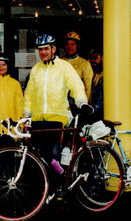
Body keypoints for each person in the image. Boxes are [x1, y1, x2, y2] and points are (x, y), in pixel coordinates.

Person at [23, 34, 91, 181]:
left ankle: (60, 184)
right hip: (38, 119)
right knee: (38, 159)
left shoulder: (64, 66)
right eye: (40, 50)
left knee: (54, 159)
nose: (43, 52)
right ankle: (45, 190)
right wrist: (26, 117)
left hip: (57, 119)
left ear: (53, 49)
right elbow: (29, 95)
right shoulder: (35, 69)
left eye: (46, 49)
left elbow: (77, 86)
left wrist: (82, 103)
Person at [61, 31, 93, 100]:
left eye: (72, 44)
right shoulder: (59, 61)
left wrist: (85, 105)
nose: (69, 47)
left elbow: (88, 87)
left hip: (76, 103)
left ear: (77, 46)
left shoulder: (85, 64)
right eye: (67, 44)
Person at [89, 48, 104, 121]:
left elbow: (101, 99)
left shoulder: (105, 75)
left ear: (103, 58)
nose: (92, 61)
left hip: (99, 113)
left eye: (95, 58)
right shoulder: (94, 73)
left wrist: (92, 111)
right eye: (91, 58)